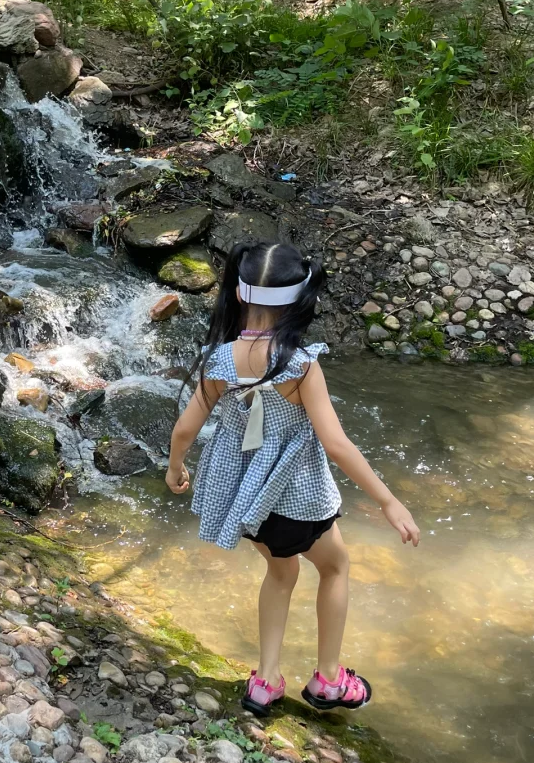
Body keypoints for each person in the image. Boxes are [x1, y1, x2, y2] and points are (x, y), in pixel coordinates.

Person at [165, 239, 420, 717]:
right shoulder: (301, 366)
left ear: (240, 295)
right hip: (297, 497)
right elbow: (337, 444)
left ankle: (265, 681)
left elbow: (185, 429)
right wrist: (389, 501)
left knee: (280, 571)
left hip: (244, 499)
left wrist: (176, 468)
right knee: (335, 567)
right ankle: (328, 680)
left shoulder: (219, 360)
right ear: (300, 299)